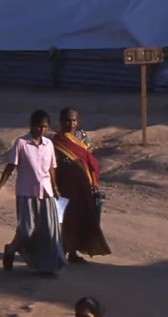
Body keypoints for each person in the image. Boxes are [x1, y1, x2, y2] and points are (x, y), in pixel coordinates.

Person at [0, 109, 66, 275]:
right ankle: (11, 249)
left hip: (46, 193)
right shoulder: (21, 143)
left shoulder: (49, 144)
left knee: (48, 230)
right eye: (38, 126)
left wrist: (55, 187)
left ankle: (46, 267)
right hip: (26, 193)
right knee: (26, 230)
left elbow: (51, 168)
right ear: (31, 126)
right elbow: (10, 167)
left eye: (45, 127)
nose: (41, 130)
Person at [54, 108, 111, 264]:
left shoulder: (82, 137)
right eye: (67, 120)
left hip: (83, 184)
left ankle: (73, 252)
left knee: (82, 218)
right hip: (64, 185)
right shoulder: (56, 141)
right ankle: (64, 251)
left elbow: (88, 160)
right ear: (61, 121)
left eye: (73, 120)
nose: (70, 123)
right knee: (65, 219)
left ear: (77, 121)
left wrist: (93, 182)